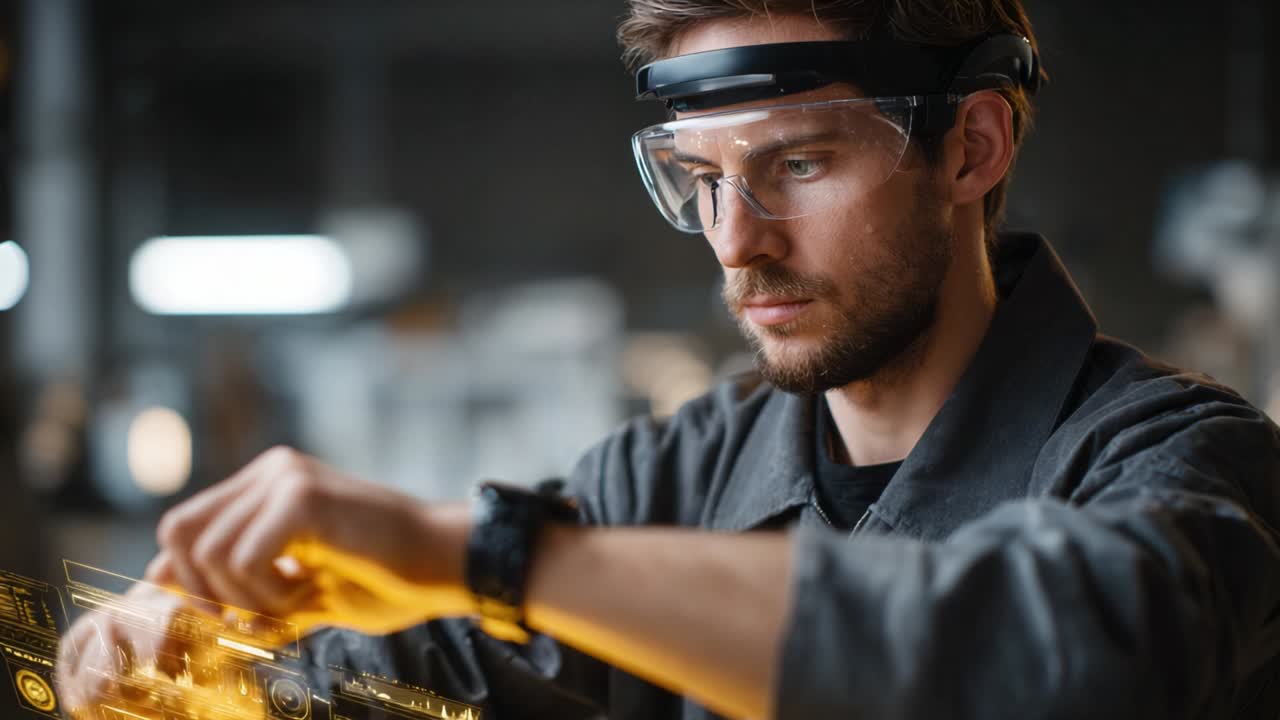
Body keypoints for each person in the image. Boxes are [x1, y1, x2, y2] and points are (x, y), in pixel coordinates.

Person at [57, 1, 1280, 718]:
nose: (736, 243)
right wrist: (201, 663)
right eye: (701, 181)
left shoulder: (1180, 461)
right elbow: (454, 661)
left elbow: (1068, 651)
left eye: (795, 164)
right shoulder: (679, 474)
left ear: (968, 147)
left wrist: (482, 552)